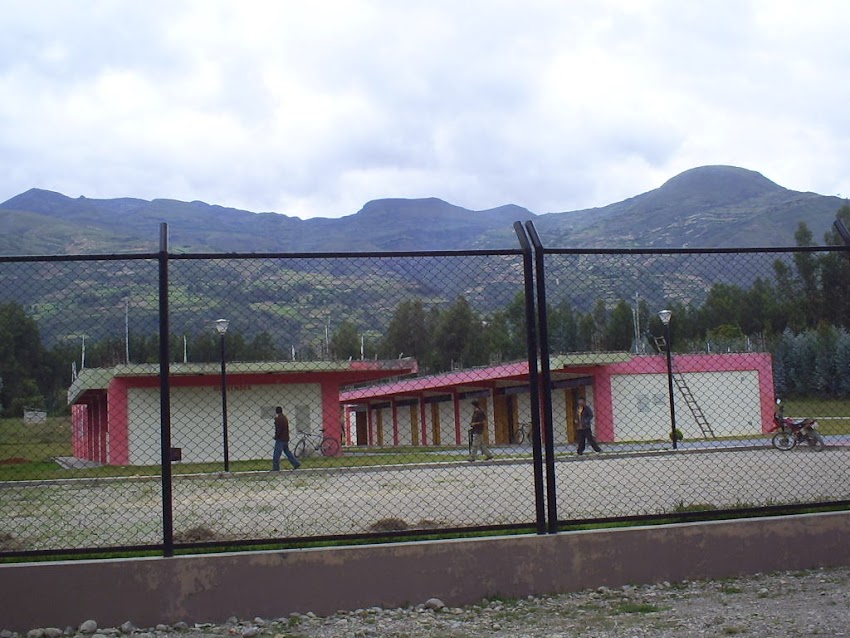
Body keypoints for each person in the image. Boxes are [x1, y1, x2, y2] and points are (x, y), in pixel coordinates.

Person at [272, 406, 300, 471]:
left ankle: (276, 468)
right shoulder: (284, 418)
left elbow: (278, 430)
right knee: (287, 452)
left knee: (276, 454)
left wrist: (276, 436)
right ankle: (296, 463)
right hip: (285, 438)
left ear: (276, 411)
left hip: (280, 439)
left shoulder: (278, 419)